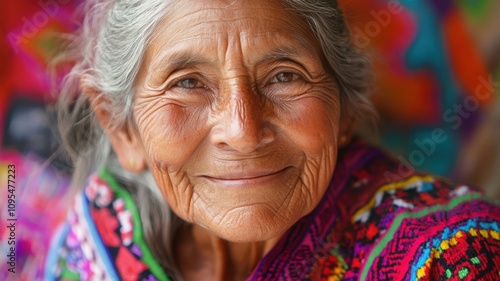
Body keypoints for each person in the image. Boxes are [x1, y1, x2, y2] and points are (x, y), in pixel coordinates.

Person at [46, 0, 500, 280]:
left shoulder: (454, 259)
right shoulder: (100, 232)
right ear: (121, 128)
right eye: (187, 83)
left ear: (343, 107)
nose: (242, 132)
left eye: (284, 76)